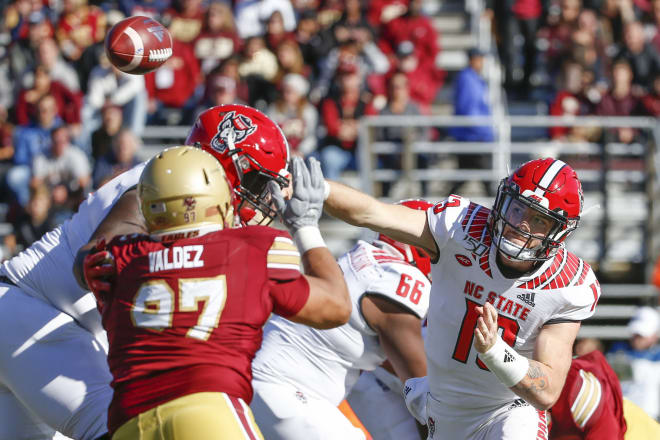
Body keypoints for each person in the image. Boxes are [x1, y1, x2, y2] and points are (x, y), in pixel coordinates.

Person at [0, 104, 293, 439]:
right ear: (222, 159)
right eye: (256, 181)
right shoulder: (166, 187)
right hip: (35, 314)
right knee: (126, 427)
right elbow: (98, 252)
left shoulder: (187, 192)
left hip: (28, 319)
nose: (260, 198)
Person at [292, 157, 601, 439]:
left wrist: (495, 352)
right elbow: (374, 212)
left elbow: (546, 391)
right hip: (443, 408)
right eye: (517, 208)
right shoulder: (459, 226)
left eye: (538, 220)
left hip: (505, 411)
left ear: (557, 233)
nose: (520, 224)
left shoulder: (568, 284)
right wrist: (319, 189)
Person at [76, 147, 350, 439]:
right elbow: (336, 306)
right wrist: (306, 227)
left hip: (129, 425)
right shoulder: (252, 246)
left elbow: (87, 262)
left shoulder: (120, 256)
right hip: (207, 410)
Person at [250, 200, 432, 439]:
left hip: (268, 385)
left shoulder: (364, 258)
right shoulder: (399, 281)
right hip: (286, 391)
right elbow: (423, 396)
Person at [606, 306, 660, 422]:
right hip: (621, 416)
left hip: (649, 418)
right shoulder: (616, 352)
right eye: (635, 334)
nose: (637, 338)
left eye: (642, 335)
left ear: (655, 335)